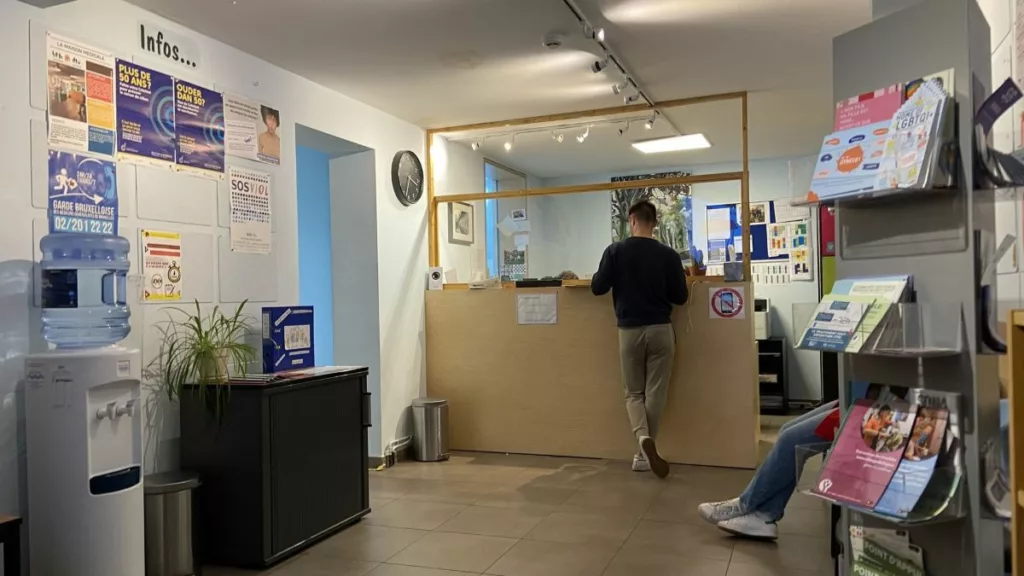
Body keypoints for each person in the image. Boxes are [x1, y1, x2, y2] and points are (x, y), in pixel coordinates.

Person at [591, 200, 688, 479]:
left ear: (631, 220)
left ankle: (643, 440)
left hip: (629, 331)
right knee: (656, 391)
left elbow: (598, 287)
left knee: (633, 393)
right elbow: (680, 298)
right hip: (660, 329)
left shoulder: (615, 251)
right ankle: (644, 452)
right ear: (654, 222)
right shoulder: (668, 255)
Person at [697, 400, 839, 539]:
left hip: (858, 415)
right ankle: (766, 515)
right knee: (786, 430)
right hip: (854, 398)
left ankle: (745, 505)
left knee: (790, 440)